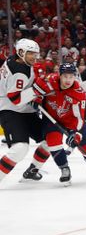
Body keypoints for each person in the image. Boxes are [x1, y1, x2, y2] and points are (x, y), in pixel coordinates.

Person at [32, 63, 86, 184]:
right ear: (59, 75)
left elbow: (79, 118)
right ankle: (64, 168)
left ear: (75, 77)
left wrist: (75, 133)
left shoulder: (78, 93)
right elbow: (37, 87)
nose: (68, 80)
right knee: (53, 142)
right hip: (51, 118)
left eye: (71, 77)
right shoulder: (50, 80)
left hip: (72, 121)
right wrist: (37, 99)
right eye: (65, 76)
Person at [0, 39, 51, 183]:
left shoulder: (15, 60)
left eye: (35, 54)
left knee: (50, 140)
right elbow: (15, 99)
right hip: (10, 111)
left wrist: (34, 92)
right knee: (20, 148)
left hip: (25, 110)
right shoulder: (19, 71)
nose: (34, 57)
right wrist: (36, 90)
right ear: (21, 52)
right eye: (30, 54)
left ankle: (32, 171)